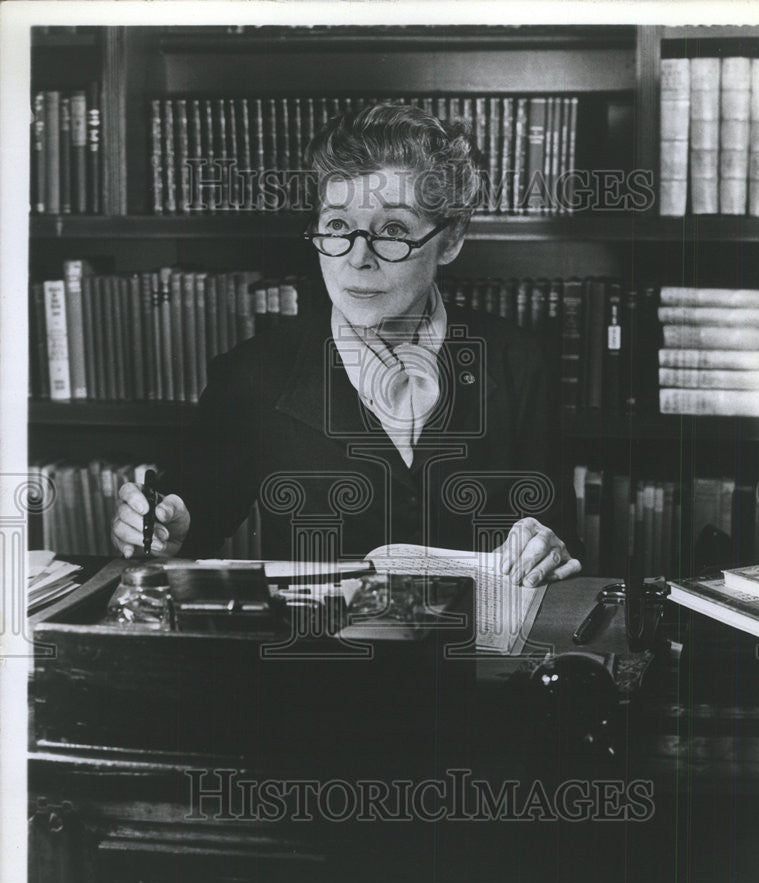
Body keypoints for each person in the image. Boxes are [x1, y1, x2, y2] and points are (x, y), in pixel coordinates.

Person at [112, 103, 582, 587]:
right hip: (318, 655)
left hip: (473, 655)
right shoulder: (251, 375)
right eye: (337, 226)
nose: (358, 259)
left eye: (393, 230)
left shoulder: (519, 362)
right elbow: (193, 526)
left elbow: (557, 539)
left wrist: (548, 546)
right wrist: (168, 529)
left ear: (451, 238)